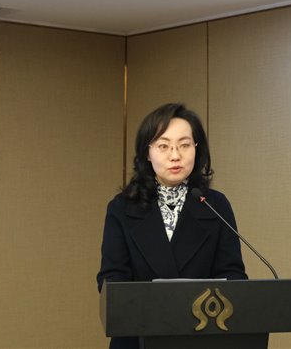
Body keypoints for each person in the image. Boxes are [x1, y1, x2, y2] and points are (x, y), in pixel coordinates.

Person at [96, 103, 247, 349]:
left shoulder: (216, 205)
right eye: (163, 146)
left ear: (197, 148)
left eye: (184, 145)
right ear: (147, 153)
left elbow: (233, 277)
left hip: (203, 340)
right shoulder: (122, 208)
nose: (175, 155)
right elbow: (112, 281)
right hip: (138, 339)